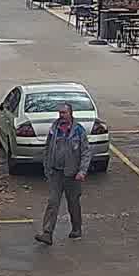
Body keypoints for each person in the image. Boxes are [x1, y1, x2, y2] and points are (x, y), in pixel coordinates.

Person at [36, 102, 92, 245]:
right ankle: (47, 233)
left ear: (70, 113)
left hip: (72, 174)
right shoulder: (54, 128)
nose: (61, 115)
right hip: (56, 173)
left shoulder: (78, 130)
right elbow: (48, 148)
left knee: (73, 203)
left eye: (64, 113)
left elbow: (86, 152)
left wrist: (82, 171)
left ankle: (76, 228)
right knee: (53, 202)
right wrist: (47, 167)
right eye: (60, 113)